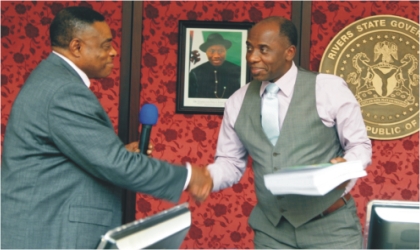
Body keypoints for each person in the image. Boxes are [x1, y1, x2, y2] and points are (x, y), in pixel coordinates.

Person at [1, 7, 211, 249]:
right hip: (48, 233)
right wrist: (188, 176)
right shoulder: (64, 91)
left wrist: (119, 153)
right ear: (77, 47)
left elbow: (77, 157)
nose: (113, 51)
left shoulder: (54, 80)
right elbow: (114, 164)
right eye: (105, 45)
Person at [205, 16, 372, 248]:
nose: (252, 57)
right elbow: (230, 162)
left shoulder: (328, 88)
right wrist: (205, 177)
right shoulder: (237, 101)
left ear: (289, 52)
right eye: (250, 48)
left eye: (263, 49)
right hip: (271, 232)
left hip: (332, 230)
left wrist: (345, 166)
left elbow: (360, 146)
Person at [189, 33, 241, 99]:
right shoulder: (195, 73)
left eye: (220, 51)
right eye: (212, 51)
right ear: (206, 52)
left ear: (226, 51)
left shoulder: (238, 71)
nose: (216, 56)